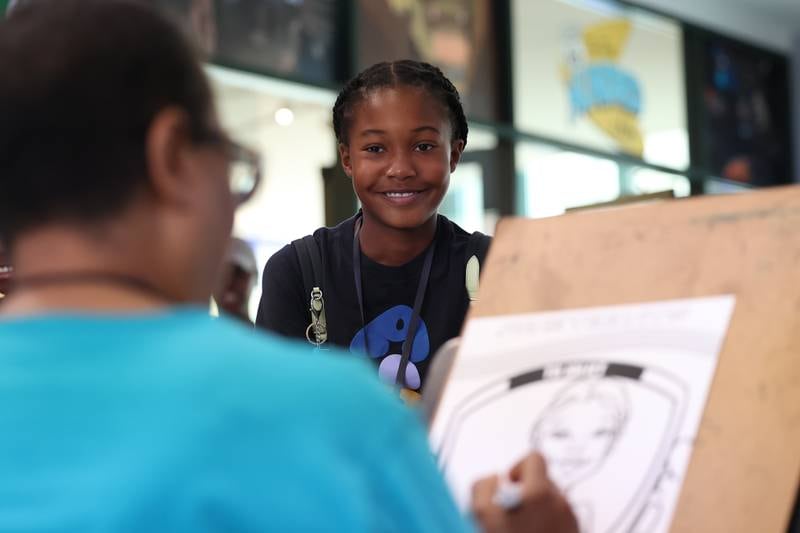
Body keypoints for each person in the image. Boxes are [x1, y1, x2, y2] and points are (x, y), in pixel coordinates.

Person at [0, 1, 577, 532]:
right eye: (232, 164)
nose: (400, 168)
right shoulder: (331, 418)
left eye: (423, 146)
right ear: (173, 158)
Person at [256, 59, 491, 399]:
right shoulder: (297, 273)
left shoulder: (494, 268)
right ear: (347, 159)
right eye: (375, 149)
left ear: (454, 154)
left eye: (423, 146)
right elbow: (277, 416)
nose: (400, 169)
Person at [213, 237, 259, 323]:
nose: (229, 282)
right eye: (222, 274)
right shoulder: (191, 333)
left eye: (238, 274)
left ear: (254, 279)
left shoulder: (267, 335)